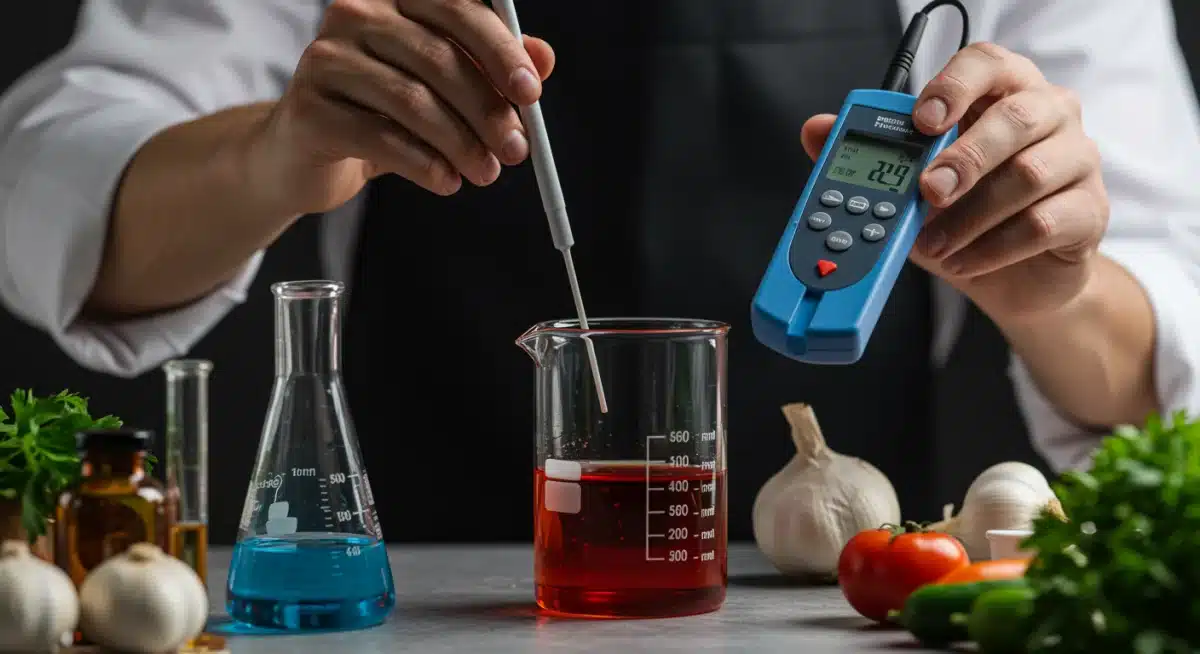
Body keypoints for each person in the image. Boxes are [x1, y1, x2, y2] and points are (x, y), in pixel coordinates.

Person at [0, 0, 1197, 542]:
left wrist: (1049, 283)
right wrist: (271, 152)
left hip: (848, 608)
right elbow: (45, 185)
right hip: (436, 605)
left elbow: (1161, 354)